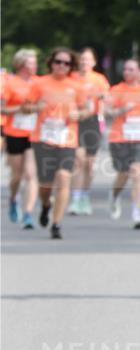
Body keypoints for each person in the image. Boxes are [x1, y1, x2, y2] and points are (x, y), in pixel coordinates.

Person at [24, 48, 89, 239]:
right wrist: (36, 107)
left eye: (66, 63)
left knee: (63, 176)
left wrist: (79, 114)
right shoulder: (40, 83)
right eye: (58, 62)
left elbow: (86, 110)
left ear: (71, 66)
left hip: (67, 139)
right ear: (51, 63)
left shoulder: (76, 86)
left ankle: (56, 223)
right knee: (45, 185)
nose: (62, 66)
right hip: (43, 139)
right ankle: (45, 205)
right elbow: (25, 106)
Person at [105, 58, 140, 229]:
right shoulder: (117, 90)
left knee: (137, 172)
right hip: (120, 137)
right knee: (123, 174)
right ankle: (114, 195)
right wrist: (121, 110)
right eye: (125, 69)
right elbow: (107, 111)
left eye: (131, 69)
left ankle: (137, 214)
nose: (127, 72)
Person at [68, 47, 110, 215]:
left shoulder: (99, 79)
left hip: (93, 121)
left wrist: (103, 97)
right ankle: (75, 198)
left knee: (89, 164)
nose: (84, 62)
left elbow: (108, 98)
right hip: (76, 120)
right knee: (78, 160)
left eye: (88, 59)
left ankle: (85, 196)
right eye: (82, 59)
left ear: (94, 62)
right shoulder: (72, 78)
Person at [1, 49, 39, 228]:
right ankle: (14, 198)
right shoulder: (10, 84)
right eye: (31, 63)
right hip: (14, 132)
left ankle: (28, 213)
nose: (35, 65)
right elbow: (2, 109)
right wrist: (18, 110)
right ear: (21, 65)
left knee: (30, 174)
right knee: (17, 176)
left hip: (34, 134)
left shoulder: (39, 83)